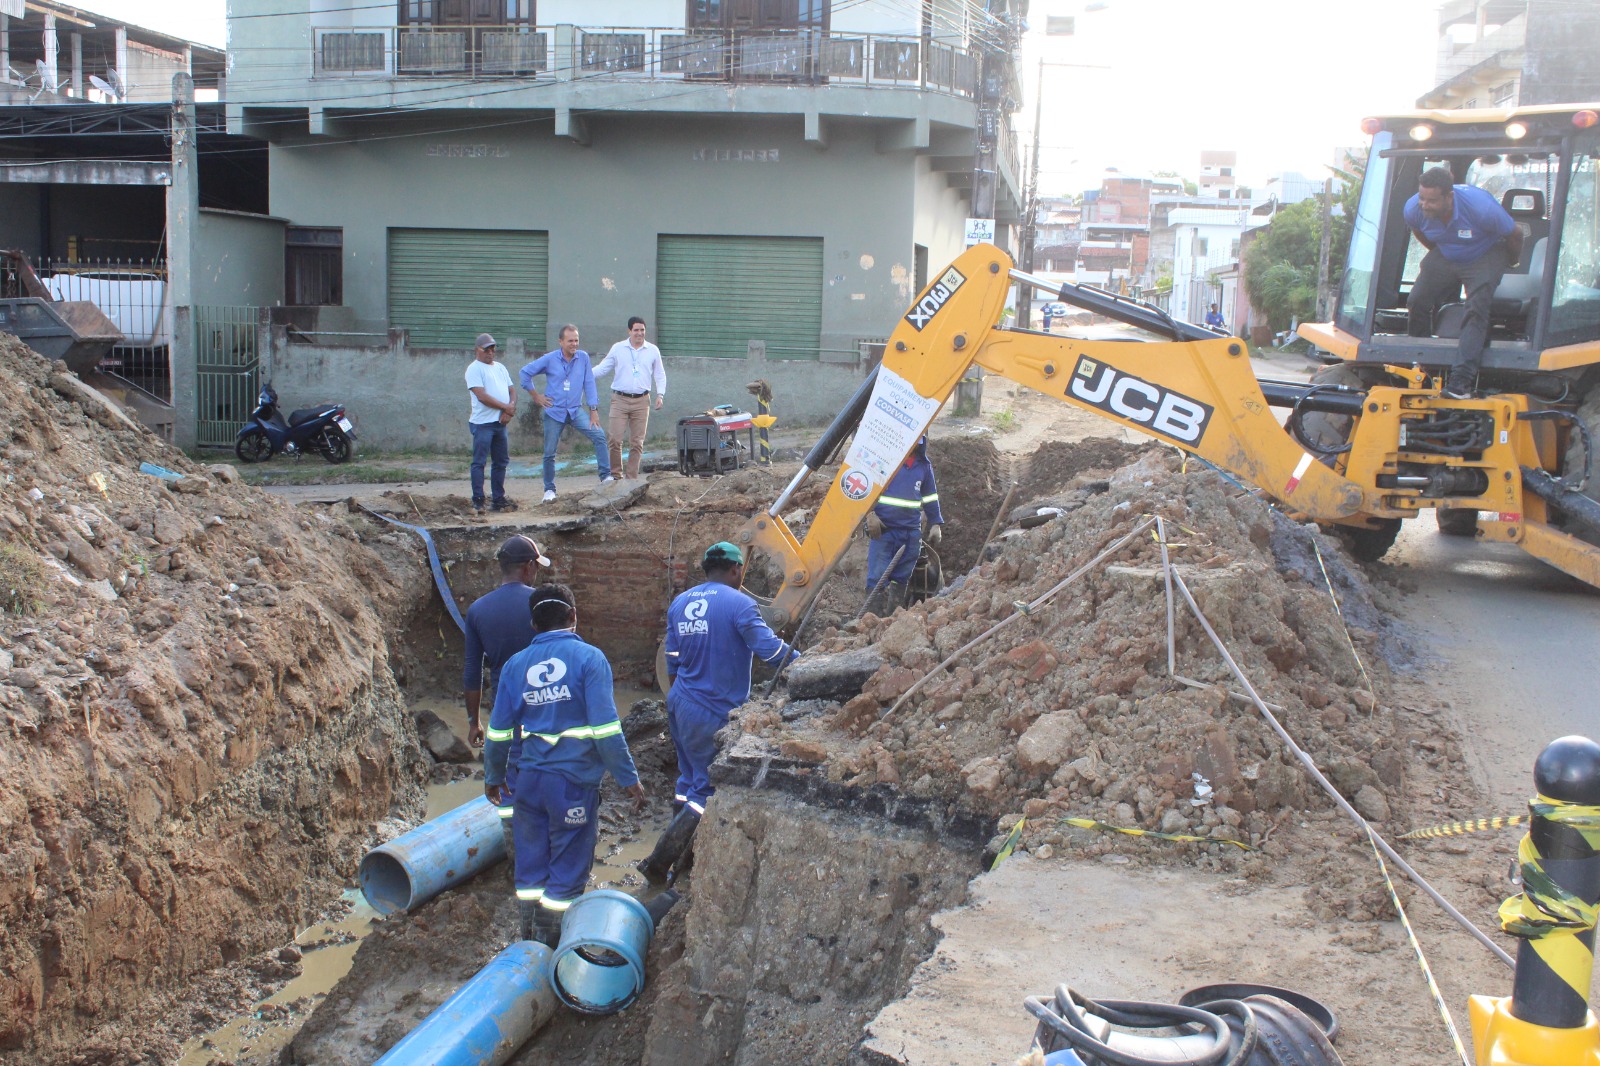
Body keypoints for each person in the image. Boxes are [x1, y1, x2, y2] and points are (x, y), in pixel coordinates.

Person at [483, 583, 647, 946]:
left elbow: (497, 732)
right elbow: (605, 728)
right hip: (571, 784)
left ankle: (528, 943)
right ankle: (551, 951)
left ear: (533, 623)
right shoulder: (590, 659)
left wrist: (493, 776)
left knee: (530, 869)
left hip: (528, 783)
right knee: (567, 871)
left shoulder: (514, 665)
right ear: (573, 616)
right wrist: (628, 777)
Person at [638, 542, 798, 885]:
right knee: (706, 788)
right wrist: (806, 662)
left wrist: (682, 697)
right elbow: (770, 651)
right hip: (712, 709)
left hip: (680, 700)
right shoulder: (741, 603)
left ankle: (683, 844)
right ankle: (660, 862)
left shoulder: (680, 603)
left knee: (687, 777)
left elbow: (673, 658)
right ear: (737, 569)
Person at [462, 534, 551, 849]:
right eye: (536, 566)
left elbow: (473, 672)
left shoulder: (478, 610)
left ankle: (518, 849)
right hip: (548, 702)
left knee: (510, 775)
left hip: (506, 704)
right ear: (528, 567)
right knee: (550, 766)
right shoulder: (545, 604)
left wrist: (474, 721)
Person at [1404, 166, 1523, 398]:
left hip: (1485, 251)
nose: (1424, 205)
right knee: (1417, 300)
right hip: (1448, 251)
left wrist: (1510, 263)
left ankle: (1461, 381)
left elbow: (1515, 235)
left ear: (1450, 197)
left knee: (1476, 309)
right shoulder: (1413, 209)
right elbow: (1418, 230)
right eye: (1422, 198)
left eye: (1431, 201)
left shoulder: (1481, 208)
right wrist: (1438, 254)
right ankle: (1423, 365)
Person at [520, 325, 614, 503]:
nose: (574, 344)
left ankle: (606, 478)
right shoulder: (550, 359)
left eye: (576, 340)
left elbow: (589, 383)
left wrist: (593, 410)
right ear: (561, 341)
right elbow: (524, 373)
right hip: (554, 412)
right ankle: (549, 490)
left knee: (599, 436)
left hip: (575, 410)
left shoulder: (583, 358)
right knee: (549, 452)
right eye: (570, 340)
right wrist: (536, 396)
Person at [863, 436, 944, 617]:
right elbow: (865, 488)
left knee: (901, 577)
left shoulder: (923, 467)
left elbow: (930, 497)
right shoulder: (884, 463)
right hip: (884, 531)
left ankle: (892, 618)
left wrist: (935, 523)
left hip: (910, 533)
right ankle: (869, 620)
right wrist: (870, 514)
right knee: (877, 576)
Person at [593, 316, 667, 481]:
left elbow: (660, 374)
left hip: (642, 401)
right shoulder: (618, 348)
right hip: (619, 400)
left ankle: (631, 479)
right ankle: (616, 476)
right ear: (629, 331)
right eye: (636, 330)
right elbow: (603, 368)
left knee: (637, 442)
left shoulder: (653, 350)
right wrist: (584, 374)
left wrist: (660, 394)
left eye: (642, 330)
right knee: (615, 439)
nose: (639, 333)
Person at [465, 333, 518, 514]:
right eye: (486, 349)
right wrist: (506, 408)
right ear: (477, 350)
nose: (490, 352)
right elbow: (482, 396)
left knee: (501, 461)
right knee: (479, 462)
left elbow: (512, 390)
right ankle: (478, 499)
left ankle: (498, 498)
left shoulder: (501, 368)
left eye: (493, 348)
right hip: (483, 423)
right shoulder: (474, 369)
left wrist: (509, 409)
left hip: (500, 422)